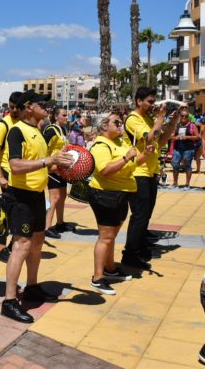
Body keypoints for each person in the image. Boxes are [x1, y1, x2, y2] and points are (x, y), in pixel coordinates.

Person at [1, 90, 73, 323]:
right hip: (20, 196)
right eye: (43, 104)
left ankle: (31, 286)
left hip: (36, 195)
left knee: (37, 242)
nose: (47, 108)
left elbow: (42, 166)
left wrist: (61, 164)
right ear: (29, 106)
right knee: (20, 246)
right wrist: (47, 161)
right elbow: (15, 166)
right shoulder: (16, 131)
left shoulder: (39, 132)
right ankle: (9, 301)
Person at [123, 87, 178, 270]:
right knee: (139, 215)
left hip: (151, 171)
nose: (153, 105)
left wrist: (173, 123)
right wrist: (161, 118)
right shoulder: (133, 119)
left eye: (154, 101)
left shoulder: (148, 118)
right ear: (139, 101)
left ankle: (140, 246)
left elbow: (159, 142)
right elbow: (149, 140)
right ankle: (129, 254)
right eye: (150, 101)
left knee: (146, 213)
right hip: (138, 172)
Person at [87, 112, 139, 295]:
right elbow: (105, 169)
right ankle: (97, 277)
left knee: (111, 236)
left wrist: (141, 154)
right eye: (116, 122)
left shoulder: (119, 141)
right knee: (106, 237)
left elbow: (131, 162)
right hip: (105, 195)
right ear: (103, 126)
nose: (120, 125)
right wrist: (126, 158)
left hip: (121, 194)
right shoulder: (101, 145)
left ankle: (109, 269)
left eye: (121, 122)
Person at [0, 91, 23, 262]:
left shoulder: (25, 123)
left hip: (22, 174)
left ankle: (13, 244)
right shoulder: (4, 124)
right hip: (7, 172)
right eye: (11, 107)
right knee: (6, 212)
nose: (14, 110)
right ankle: (1, 248)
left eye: (17, 107)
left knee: (18, 212)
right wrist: (0, 176)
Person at [43, 107, 70, 239]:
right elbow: (42, 147)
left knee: (63, 196)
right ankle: (47, 227)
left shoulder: (63, 130)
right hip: (52, 168)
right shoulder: (50, 130)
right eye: (64, 115)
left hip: (61, 168)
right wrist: (47, 163)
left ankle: (60, 223)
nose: (67, 118)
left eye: (67, 115)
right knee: (54, 198)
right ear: (55, 117)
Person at [170, 109, 199, 190]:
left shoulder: (192, 126)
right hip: (177, 148)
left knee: (187, 165)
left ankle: (187, 184)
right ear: (180, 117)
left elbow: (197, 136)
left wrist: (187, 137)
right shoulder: (177, 125)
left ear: (188, 117)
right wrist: (175, 138)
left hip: (188, 149)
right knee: (175, 164)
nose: (184, 117)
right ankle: (175, 183)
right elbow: (171, 136)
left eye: (186, 116)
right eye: (182, 116)